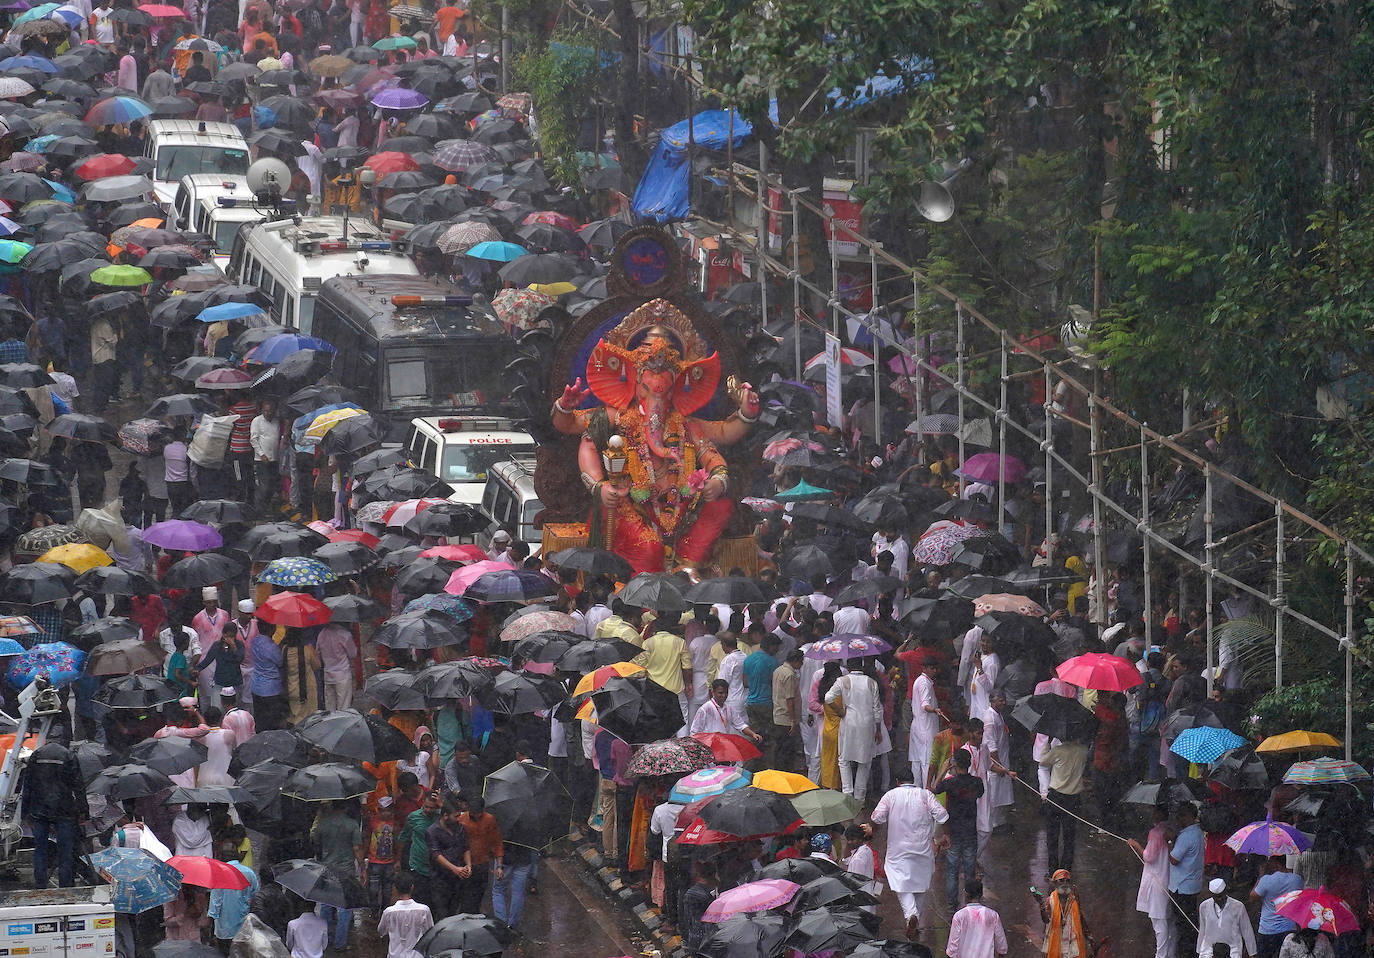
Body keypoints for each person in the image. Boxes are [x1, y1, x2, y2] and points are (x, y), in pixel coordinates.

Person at [870, 766, 950, 940]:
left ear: (897, 782)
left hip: (898, 850)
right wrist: (941, 836)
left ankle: (911, 916)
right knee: (921, 885)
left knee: (900, 884)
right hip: (922, 849)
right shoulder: (925, 795)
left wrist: (873, 829)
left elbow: (877, 817)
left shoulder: (891, 795)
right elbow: (942, 815)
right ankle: (914, 921)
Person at [22, 739, 87, 888]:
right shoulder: (68, 755)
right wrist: (83, 811)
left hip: (39, 809)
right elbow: (78, 786)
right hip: (64, 809)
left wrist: (25, 813)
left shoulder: (36, 755)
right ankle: (66, 885)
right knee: (66, 850)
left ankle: (40, 884)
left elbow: (28, 785)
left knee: (41, 849)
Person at [824, 660, 883, 803]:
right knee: (865, 761)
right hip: (867, 724)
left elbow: (828, 698)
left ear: (849, 667)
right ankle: (860, 798)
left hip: (849, 722)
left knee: (844, 759)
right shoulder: (871, 683)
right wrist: (878, 730)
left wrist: (840, 711)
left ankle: (847, 794)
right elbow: (877, 709)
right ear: (862, 666)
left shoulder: (842, 681)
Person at [934, 748, 984, 912]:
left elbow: (934, 788)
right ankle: (971, 900)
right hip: (970, 831)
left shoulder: (950, 782)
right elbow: (980, 794)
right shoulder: (976, 782)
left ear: (954, 764)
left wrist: (943, 771)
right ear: (969, 764)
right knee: (970, 868)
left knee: (952, 869)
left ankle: (951, 904)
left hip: (953, 831)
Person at [311, 801, 363, 950]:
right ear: (346, 808)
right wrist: (363, 868)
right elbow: (357, 848)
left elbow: (316, 843)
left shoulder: (322, 824)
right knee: (345, 907)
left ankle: (325, 940)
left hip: (328, 868)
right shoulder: (352, 824)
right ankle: (340, 943)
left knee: (327, 904)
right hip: (346, 871)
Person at [1127, 805, 1177, 958]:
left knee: (1159, 920)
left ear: (1159, 813)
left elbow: (1148, 856)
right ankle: (1170, 953)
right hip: (1169, 879)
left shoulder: (1156, 833)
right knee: (1169, 921)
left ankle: (1161, 955)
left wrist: (1135, 845)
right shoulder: (1173, 829)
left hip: (1157, 880)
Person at [1039, 733, 1089, 876]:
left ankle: (1053, 870)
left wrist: (1047, 745)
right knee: (1069, 837)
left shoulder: (1058, 751)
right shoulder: (1083, 750)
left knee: (1052, 837)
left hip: (1056, 797)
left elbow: (1042, 762)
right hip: (1074, 799)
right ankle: (1066, 870)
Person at [426, 796, 472, 921]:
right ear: (445, 816)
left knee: (454, 912)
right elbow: (436, 855)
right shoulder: (432, 831)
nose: (458, 819)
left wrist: (468, 865)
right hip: (439, 879)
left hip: (457, 879)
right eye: (456, 816)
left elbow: (466, 847)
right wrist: (454, 869)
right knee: (441, 913)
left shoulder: (460, 828)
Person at [1170, 802, 1206, 956]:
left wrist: (1169, 842)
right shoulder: (1197, 832)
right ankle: (1192, 949)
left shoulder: (1186, 836)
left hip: (1182, 887)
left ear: (1189, 816)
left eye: (1181, 815)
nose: (1178, 819)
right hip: (1192, 885)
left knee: (1183, 924)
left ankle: (1186, 953)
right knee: (1189, 921)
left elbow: (1174, 859)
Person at [456, 796, 501, 914]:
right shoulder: (461, 819)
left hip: (482, 864)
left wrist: (499, 866)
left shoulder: (490, 820)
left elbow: (497, 842)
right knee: (465, 898)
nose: (476, 817)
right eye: (473, 814)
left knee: (478, 896)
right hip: (464, 865)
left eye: (478, 814)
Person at [1251, 856, 1304, 958]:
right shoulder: (1297, 879)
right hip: (1289, 929)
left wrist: (1261, 876)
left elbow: (1252, 897)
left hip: (1267, 930)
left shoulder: (1266, 880)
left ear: (1276, 864)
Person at [397, 789, 441, 907]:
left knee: (436, 902)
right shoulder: (413, 817)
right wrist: (397, 860)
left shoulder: (442, 817)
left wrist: (442, 804)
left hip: (437, 867)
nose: (428, 810)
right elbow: (403, 837)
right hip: (418, 866)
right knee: (419, 900)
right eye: (426, 806)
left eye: (432, 808)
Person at [948, 879, 1009, 958]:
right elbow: (1001, 941)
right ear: (981, 894)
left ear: (966, 894)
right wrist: (1001, 952)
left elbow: (953, 944)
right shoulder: (993, 915)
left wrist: (951, 955)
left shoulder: (959, 916)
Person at [378, 872, 433, 958]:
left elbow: (381, 931)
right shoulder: (424, 910)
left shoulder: (389, 912)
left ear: (395, 888)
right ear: (412, 887)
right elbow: (429, 932)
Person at [1037, 870, 1091, 958]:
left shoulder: (1074, 898)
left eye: (1067, 881)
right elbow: (1046, 920)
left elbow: (1080, 917)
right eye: (1061, 880)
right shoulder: (1050, 900)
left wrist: (1089, 937)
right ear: (1055, 883)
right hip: (1057, 943)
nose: (1065, 883)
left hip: (1073, 944)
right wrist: (1041, 907)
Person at [1198, 878, 1256, 958]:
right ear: (1211, 895)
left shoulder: (1238, 906)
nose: (1220, 899)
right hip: (1208, 950)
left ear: (1225, 891)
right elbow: (1202, 930)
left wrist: (1252, 953)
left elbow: (1247, 931)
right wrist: (1199, 950)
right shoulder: (1204, 906)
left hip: (1233, 950)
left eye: (1221, 895)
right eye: (1216, 897)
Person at [364, 797, 399, 917]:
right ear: (378, 810)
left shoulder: (395, 823)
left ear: (392, 811)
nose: (385, 813)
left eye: (387, 810)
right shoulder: (372, 821)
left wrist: (397, 860)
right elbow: (367, 838)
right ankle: (374, 911)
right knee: (373, 889)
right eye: (382, 810)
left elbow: (398, 841)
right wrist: (365, 857)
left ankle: (385, 911)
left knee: (387, 889)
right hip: (374, 861)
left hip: (389, 862)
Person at [909, 658, 942, 786]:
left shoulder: (921, 681)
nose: (934, 671)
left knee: (917, 762)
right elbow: (925, 705)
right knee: (927, 762)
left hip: (918, 726)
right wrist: (935, 710)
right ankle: (927, 793)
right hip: (925, 728)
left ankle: (916, 792)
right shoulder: (924, 683)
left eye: (935, 668)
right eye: (931, 668)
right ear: (924, 668)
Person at [315, 618, 358, 709]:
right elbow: (353, 654)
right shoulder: (345, 634)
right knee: (344, 705)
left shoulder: (322, 633)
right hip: (342, 674)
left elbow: (318, 652)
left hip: (327, 674)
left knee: (330, 706)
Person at [680, 859, 718, 953]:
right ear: (714, 875)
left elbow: (686, 920)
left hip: (695, 940)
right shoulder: (702, 896)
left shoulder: (692, 893)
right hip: (705, 941)